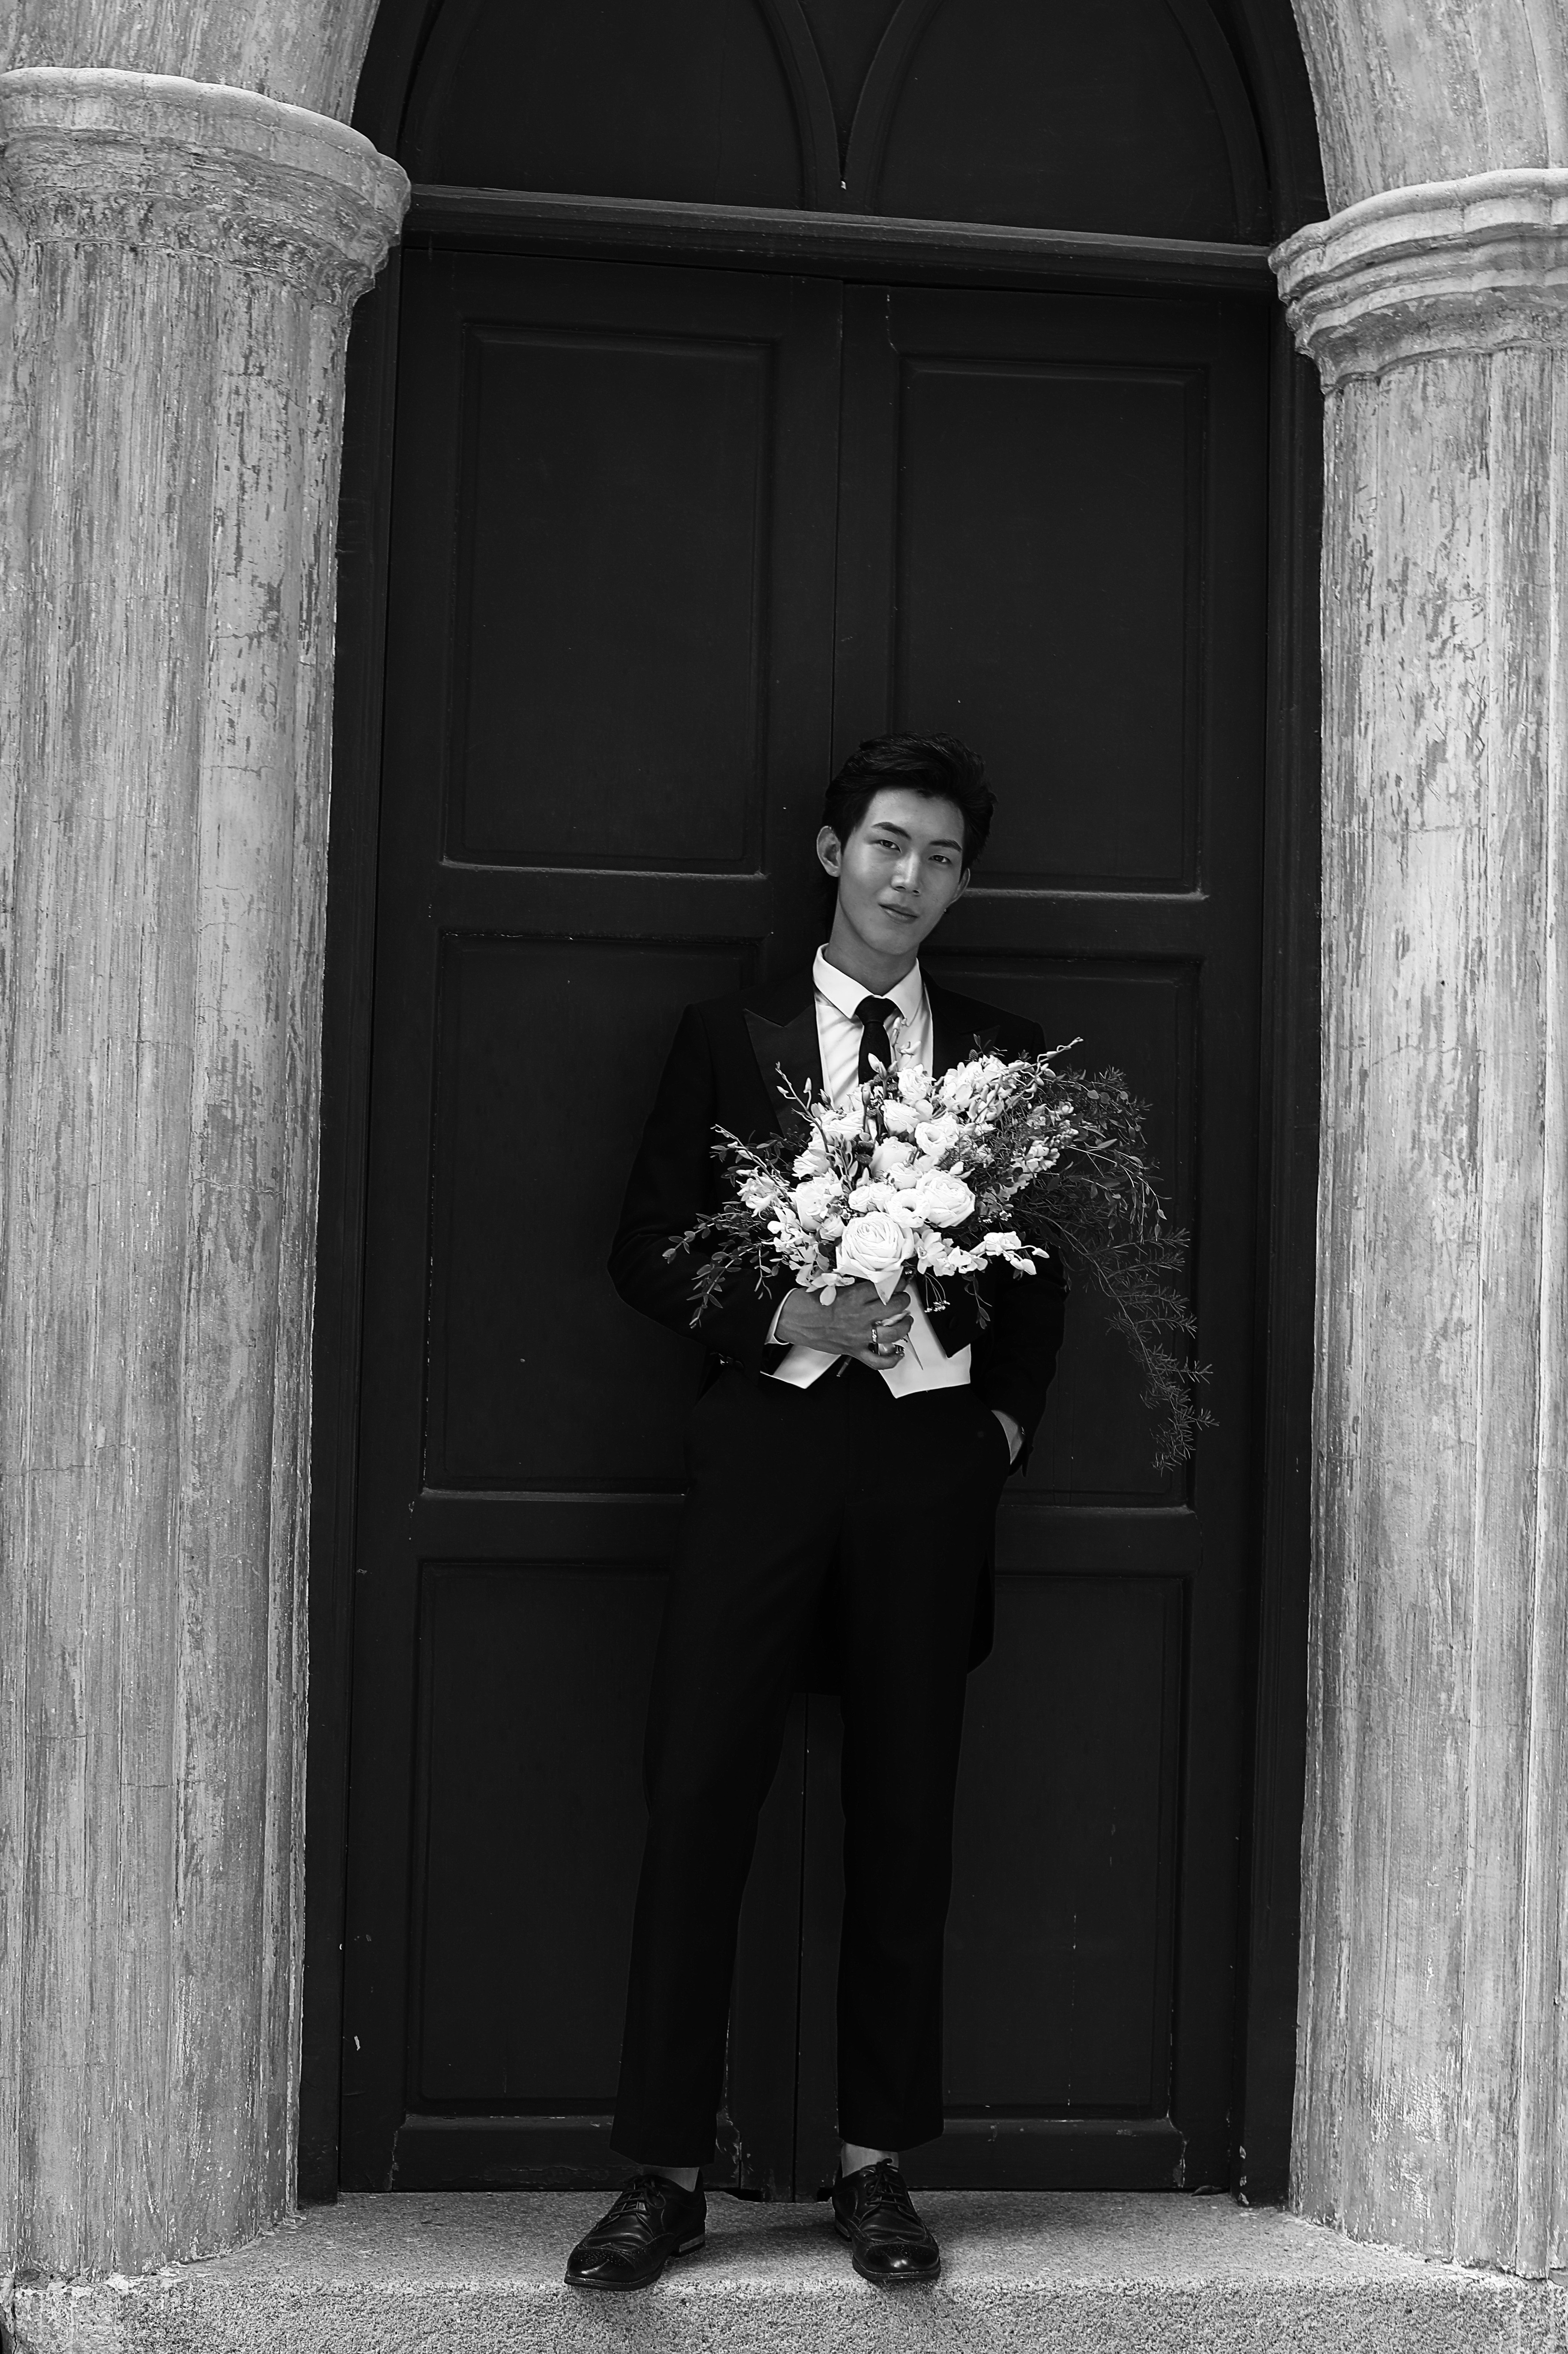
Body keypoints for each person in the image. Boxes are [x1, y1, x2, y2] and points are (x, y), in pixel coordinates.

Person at [565, 734, 1067, 2292]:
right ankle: (661, 2178)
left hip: (925, 1465)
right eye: (888, 845)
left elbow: (1045, 1268)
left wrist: (994, 1428)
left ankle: (875, 2171)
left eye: (941, 858)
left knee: (906, 1812)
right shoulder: (731, 1034)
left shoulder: (1001, 1056)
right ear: (833, 852)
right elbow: (644, 1245)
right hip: (767, 1454)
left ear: (962, 884)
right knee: (698, 1799)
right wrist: (778, 1310)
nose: (909, 878)